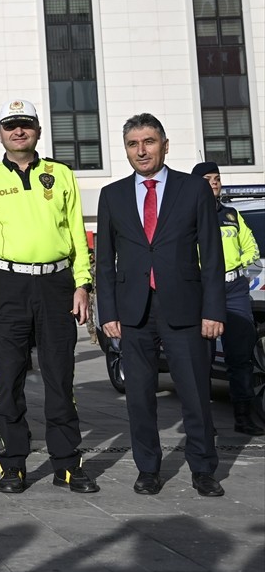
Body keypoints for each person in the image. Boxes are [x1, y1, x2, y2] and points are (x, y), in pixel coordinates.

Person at [0, 99, 98, 494]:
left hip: (56, 285)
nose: (18, 131)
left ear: (38, 131)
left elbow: (76, 231)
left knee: (61, 377)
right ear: (0, 133)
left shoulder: (60, 174)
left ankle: (67, 463)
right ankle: (13, 465)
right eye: (11, 125)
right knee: (8, 380)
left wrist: (82, 284)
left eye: (26, 125)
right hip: (6, 285)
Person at [96, 115, 226, 496]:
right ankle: (148, 469)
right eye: (134, 144)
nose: (142, 150)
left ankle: (203, 469)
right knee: (138, 396)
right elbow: (104, 261)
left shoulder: (193, 190)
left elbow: (213, 255)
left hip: (186, 308)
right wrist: (109, 313)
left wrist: (213, 310)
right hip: (133, 311)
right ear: (126, 150)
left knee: (195, 394)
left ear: (165, 145)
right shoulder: (113, 195)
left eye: (149, 142)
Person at [192, 161, 262, 436]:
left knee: (240, 356)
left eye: (217, 178)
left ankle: (243, 418)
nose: (214, 183)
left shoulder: (231, 215)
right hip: (202, 290)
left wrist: (238, 265)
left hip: (234, 289)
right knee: (201, 358)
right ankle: (204, 423)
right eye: (208, 179)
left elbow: (251, 247)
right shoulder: (189, 216)